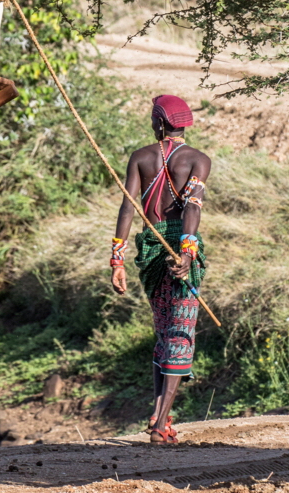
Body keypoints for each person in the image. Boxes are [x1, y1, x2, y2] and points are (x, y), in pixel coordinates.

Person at [109, 95, 211, 444]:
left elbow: (127, 207)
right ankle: (160, 422)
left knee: (165, 331)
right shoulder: (199, 160)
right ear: (183, 125)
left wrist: (117, 258)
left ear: (159, 124)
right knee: (180, 332)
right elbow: (192, 208)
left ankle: (158, 415)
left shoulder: (140, 158)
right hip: (182, 247)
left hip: (152, 248)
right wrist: (187, 250)